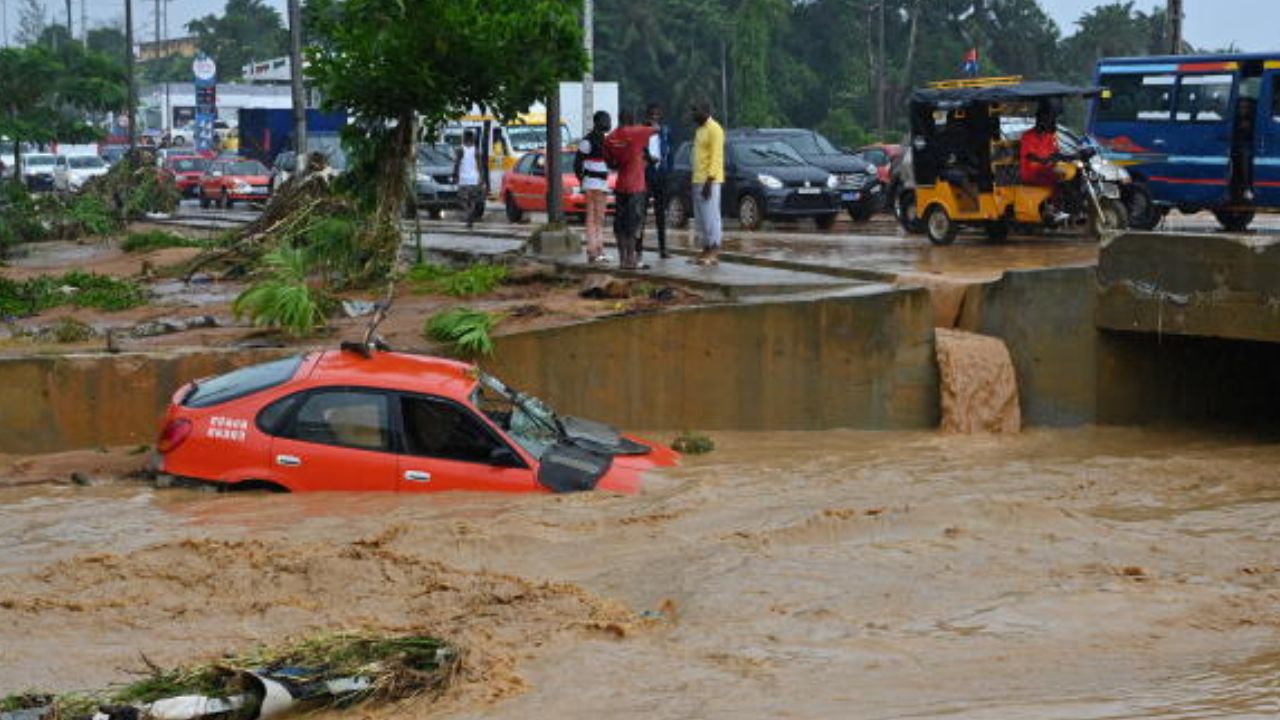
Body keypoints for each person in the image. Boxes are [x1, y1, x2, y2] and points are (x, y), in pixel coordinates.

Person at [605, 109, 654, 270]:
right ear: (631, 119)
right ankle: (631, 259)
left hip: (620, 185)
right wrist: (647, 124)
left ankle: (622, 259)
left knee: (620, 224)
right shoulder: (637, 133)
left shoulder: (611, 137)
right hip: (636, 186)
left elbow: (610, 164)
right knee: (633, 224)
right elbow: (657, 128)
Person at [574, 111, 612, 263]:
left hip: (595, 183)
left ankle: (596, 250)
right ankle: (594, 251)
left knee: (596, 218)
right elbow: (577, 163)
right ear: (598, 122)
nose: (608, 123)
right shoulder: (594, 141)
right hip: (595, 183)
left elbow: (577, 163)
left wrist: (582, 180)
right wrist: (582, 179)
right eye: (606, 120)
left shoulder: (592, 141)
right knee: (595, 218)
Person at [690, 99, 724, 266]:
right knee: (701, 219)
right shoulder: (699, 130)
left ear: (705, 111)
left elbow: (716, 157)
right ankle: (705, 248)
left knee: (711, 217)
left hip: (709, 181)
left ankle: (714, 250)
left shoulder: (715, 129)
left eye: (695, 110)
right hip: (697, 179)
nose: (692, 114)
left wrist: (709, 182)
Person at [644, 103, 673, 259]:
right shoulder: (641, 131)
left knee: (661, 213)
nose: (654, 118)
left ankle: (663, 249)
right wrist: (648, 159)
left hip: (661, 175)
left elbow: (670, 151)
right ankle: (638, 248)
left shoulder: (665, 131)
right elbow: (639, 150)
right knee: (641, 213)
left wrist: (669, 171)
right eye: (652, 115)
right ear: (647, 116)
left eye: (657, 115)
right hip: (646, 175)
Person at [454, 129, 483, 229]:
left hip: (463, 179)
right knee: (473, 200)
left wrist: (455, 175)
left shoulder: (460, 149)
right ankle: (471, 214)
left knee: (462, 200)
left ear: (464, 138)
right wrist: (481, 178)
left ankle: (468, 213)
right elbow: (480, 166)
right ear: (473, 138)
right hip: (474, 179)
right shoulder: (476, 150)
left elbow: (457, 164)